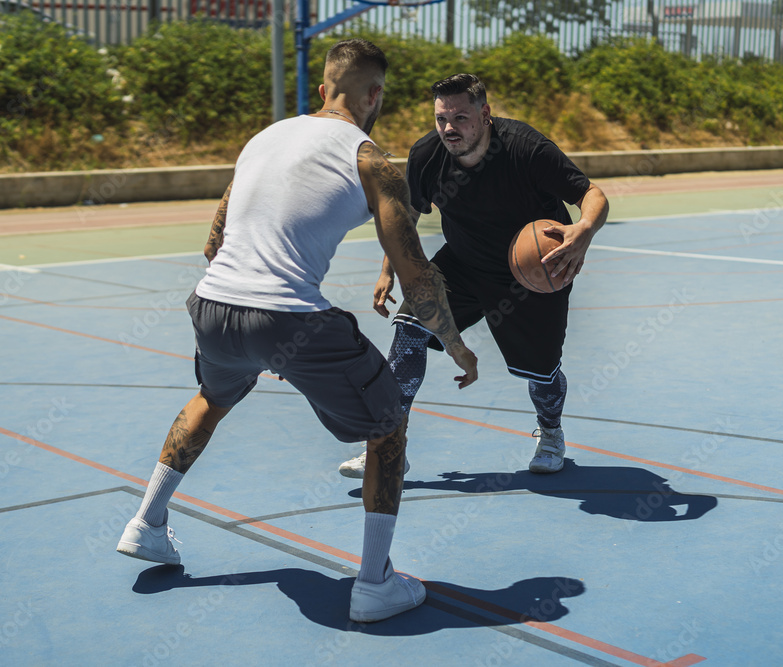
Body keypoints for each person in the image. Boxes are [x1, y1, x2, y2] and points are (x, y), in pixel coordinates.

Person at [116, 40, 478, 624]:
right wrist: (457, 345)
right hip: (288, 317)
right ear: (375, 95)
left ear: (321, 89)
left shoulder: (264, 138)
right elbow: (417, 276)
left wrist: (250, 329)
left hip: (212, 304)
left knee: (212, 397)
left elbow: (214, 243)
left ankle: (147, 523)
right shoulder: (373, 162)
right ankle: (375, 583)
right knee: (388, 426)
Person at [338, 73, 608, 479]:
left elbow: (592, 194)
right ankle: (390, 442)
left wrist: (584, 231)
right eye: (441, 118)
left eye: (460, 118)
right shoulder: (427, 155)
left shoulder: (526, 149)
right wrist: (387, 270)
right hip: (460, 264)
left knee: (541, 369)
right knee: (409, 329)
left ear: (484, 115)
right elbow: (407, 217)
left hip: (531, 273)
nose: (449, 128)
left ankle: (550, 432)